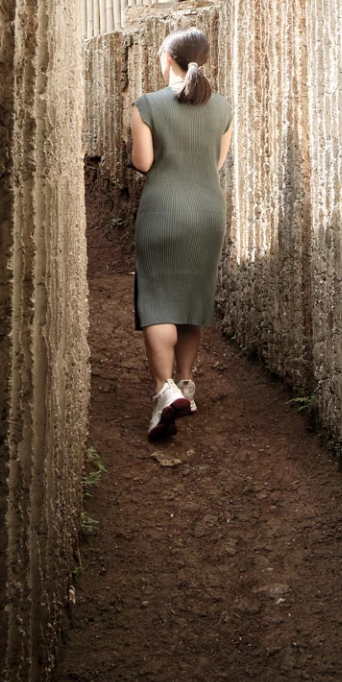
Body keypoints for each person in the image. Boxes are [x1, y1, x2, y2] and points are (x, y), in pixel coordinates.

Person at [126, 25, 233, 443]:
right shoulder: (223, 107)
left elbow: (144, 162)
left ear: (167, 59)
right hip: (208, 212)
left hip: (163, 213)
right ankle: (186, 384)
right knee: (192, 299)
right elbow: (217, 164)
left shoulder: (147, 105)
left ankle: (163, 390)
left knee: (157, 303)